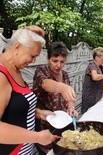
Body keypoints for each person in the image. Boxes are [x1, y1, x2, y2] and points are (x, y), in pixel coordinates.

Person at [0, 25, 55, 155]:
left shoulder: (16, 69)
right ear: (17, 47)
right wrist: (37, 137)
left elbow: (14, 108)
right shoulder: (1, 75)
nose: (33, 60)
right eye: (32, 55)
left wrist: (38, 113)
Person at [32, 41, 78, 154]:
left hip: (62, 123)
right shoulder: (41, 71)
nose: (58, 65)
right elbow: (45, 83)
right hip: (44, 125)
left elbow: (69, 98)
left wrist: (71, 107)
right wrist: (61, 87)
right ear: (48, 59)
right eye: (55, 61)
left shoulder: (65, 75)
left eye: (62, 62)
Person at [81, 47, 103, 114]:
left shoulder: (100, 67)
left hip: (97, 95)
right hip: (90, 96)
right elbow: (95, 77)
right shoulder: (92, 66)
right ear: (96, 57)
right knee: (89, 115)